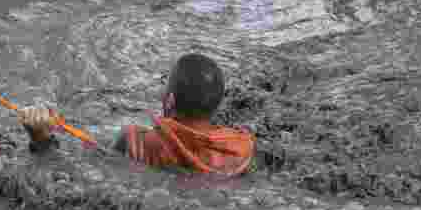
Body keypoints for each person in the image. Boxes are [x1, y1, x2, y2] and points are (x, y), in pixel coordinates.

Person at [19, 53, 257, 176]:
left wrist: (41, 138)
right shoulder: (242, 149)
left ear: (170, 101)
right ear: (217, 104)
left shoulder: (135, 141)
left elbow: (73, 165)